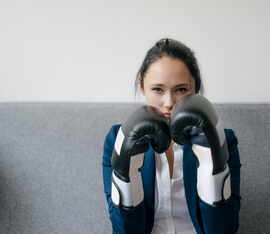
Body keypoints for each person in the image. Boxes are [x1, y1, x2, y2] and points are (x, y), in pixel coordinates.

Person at [102, 38, 241, 234]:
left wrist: (211, 164)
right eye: (157, 89)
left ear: (196, 88)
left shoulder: (222, 139)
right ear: (142, 87)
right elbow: (123, 230)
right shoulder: (117, 138)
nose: (168, 102)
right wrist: (128, 174)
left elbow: (224, 229)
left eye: (181, 89)